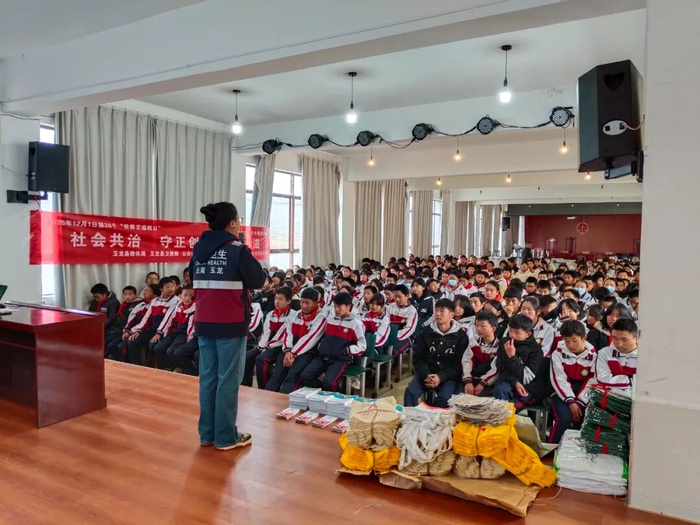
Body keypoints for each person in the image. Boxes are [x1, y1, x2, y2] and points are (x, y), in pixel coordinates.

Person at [190, 201, 267, 450]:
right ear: (232, 223)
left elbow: (193, 277)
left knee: (208, 379)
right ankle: (225, 437)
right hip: (230, 325)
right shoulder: (237, 250)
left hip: (204, 323)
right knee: (228, 381)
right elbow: (258, 279)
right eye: (239, 220)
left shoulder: (198, 250)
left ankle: (207, 434)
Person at [405, 298, 468, 408]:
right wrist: (427, 375)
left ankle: (434, 418)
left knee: (445, 399)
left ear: (451, 315)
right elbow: (418, 358)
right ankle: (410, 417)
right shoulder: (425, 332)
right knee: (410, 392)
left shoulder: (461, 336)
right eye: (436, 310)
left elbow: (458, 364)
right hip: (427, 374)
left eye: (442, 311)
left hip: (448, 376)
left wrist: (440, 377)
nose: (438, 314)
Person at [300, 292, 366, 392]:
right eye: (335, 306)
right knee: (305, 377)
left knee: (329, 383)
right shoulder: (330, 320)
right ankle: (322, 393)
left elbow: (362, 345)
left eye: (339, 307)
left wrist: (348, 350)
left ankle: (338, 396)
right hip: (322, 357)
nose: (336, 309)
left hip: (340, 359)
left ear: (348, 307)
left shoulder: (356, 324)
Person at [265, 288, 327, 394]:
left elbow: (310, 338)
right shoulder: (295, 315)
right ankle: (267, 397)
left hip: (308, 352)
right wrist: (287, 350)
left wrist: (293, 353)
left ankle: (285, 400)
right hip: (289, 351)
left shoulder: (321, 317)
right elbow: (287, 333)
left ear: (316, 303)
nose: (304, 306)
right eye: (302, 302)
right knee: (277, 374)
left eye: (307, 303)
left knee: (292, 375)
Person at [549, 320, 596, 443]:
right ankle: (553, 449)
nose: (570, 345)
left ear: (584, 338)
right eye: (566, 341)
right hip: (561, 395)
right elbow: (559, 379)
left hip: (584, 396)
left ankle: (575, 450)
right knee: (563, 419)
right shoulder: (557, 354)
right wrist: (570, 402)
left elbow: (592, 381)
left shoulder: (594, 357)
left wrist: (580, 402)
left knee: (583, 420)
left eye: (574, 340)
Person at [492, 314, 545, 407]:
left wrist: (512, 356)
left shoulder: (536, 351)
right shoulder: (504, 342)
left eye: (517, 333)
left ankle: (505, 413)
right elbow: (501, 368)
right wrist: (515, 382)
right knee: (500, 389)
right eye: (510, 331)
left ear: (528, 334)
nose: (512, 335)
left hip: (529, 386)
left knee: (511, 406)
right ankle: (502, 413)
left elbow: (526, 377)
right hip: (508, 381)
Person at [127, 277, 179, 366]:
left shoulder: (176, 301)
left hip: (165, 331)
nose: (171, 289)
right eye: (167, 287)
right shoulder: (155, 301)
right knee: (132, 341)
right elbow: (147, 318)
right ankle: (136, 367)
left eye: (172, 286)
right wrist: (138, 330)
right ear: (161, 289)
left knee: (153, 344)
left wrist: (159, 333)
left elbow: (167, 320)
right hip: (153, 329)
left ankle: (150, 368)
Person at [253, 287, 294, 388]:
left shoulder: (292, 315)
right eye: (276, 298)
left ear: (288, 301)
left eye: (281, 299)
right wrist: (261, 347)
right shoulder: (271, 314)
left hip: (281, 346)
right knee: (247, 357)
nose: (277, 302)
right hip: (269, 345)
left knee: (261, 359)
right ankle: (246, 385)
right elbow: (266, 333)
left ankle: (264, 388)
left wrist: (268, 347)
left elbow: (283, 336)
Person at [107, 284, 159, 361]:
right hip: (133, 330)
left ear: (154, 295)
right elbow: (131, 319)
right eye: (145, 290)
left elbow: (147, 323)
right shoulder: (141, 305)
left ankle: (133, 365)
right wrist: (127, 331)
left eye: (148, 291)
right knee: (112, 345)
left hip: (145, 331)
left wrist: (135, 331)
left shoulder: (155, 306)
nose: (144, 292)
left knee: (123, 346)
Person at [150, 285, 196, 369]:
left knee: (171, 351)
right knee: (158, 348)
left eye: (191, 296)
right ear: (180, 296)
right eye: (185, 295)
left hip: (184, 334)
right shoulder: (177, 305)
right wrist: (162, 333)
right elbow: (169, 320)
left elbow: (191, 328)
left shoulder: (194, 308)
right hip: (174, 332)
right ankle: (171, 367)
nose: (187, 298)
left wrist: (187, 341)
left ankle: (190, 372)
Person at [591, 318, 638, 390]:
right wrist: (632, 381)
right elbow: (602, 379)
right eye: (615, 339)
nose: (619, 344)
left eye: (624, 340)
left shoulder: (646, 357)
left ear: (636, 338)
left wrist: (616, 380)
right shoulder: (604, 353)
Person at [461, 311, 500, 395]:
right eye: (477, 325)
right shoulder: (473, 343)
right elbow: (466, 361)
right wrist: (468, 381)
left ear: (493, 328)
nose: (478, 329)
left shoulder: (499, 347)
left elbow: (496, 369)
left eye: (482, 326)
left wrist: (482, 384)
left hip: (489, 383)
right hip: (471, 380)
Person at [103, 286, 140, 351]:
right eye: (125, 294)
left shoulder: (135, 306)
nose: (127, 296)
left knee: (110, 344)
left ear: (135, 295)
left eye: (130, 294)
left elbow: (127, 321)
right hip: (118, 328)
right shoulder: (123, 305)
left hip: (125, 330)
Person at [385, 284, 418, 354]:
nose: (397, 299)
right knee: (381, 347)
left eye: (399, 297)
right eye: (395, 296)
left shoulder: (412, 311)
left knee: (392, 350)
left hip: (405, 337)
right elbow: (385, 322)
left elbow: (409, 329)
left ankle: (393, 362)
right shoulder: (391, 306)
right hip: (389, 334)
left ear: (407, 296)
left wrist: (394, 336)